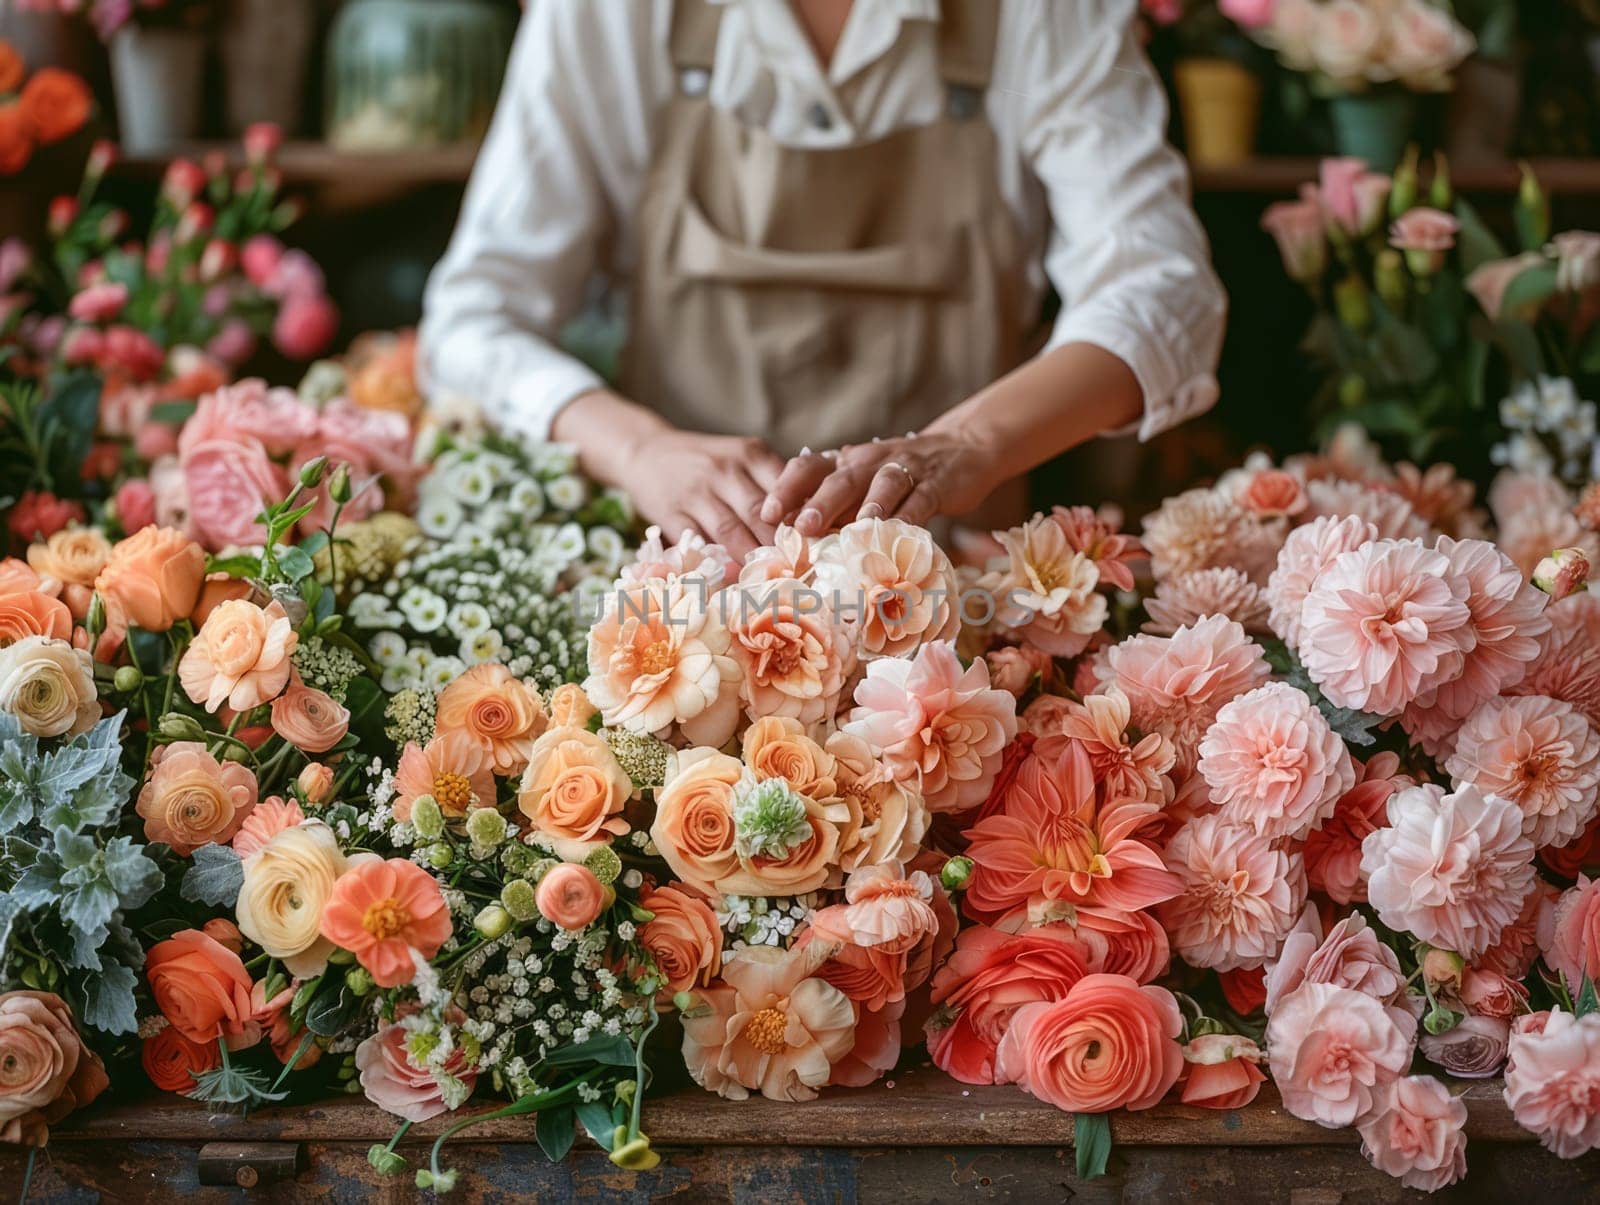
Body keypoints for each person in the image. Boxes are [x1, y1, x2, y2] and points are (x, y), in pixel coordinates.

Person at [420, 0, 1226, 557]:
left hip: (966, 620)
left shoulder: (1037, 14)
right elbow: (471, 322)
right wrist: (638, 450)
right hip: (671, 619)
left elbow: (1162, 292)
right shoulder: (613, 15)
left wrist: (965, 446)